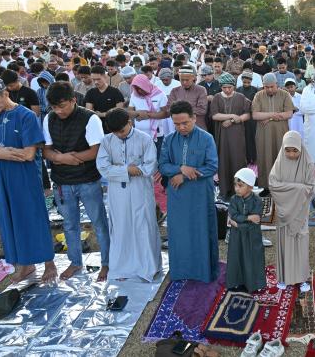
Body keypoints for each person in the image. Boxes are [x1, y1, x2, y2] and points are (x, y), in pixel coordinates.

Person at [0, 78, 57, 283]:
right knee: (7, 220)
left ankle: (49, 262)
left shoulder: (26, 115)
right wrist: (1, 152)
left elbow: (29, 154)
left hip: (23, 178)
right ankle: (24, 265)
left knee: (33, 216)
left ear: (5, 93)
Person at [43, 81, 110, 281]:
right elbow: (46, 149)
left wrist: (75, 158)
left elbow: (97, 150)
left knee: (99, 223)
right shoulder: (49, 118)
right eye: (54, 107)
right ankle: (75, 261)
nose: (58, 111)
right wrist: (61, 158)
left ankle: (107, 263)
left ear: (73, 100)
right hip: (62, 181)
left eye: (62, 106)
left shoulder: (90, 119)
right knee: (70, 224)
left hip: (88, 180)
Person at [96, 108, 162, 281]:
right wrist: (128, 170)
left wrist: (126, 170)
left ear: (129, 123)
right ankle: (122, 268)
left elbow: (149, 167)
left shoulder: (144, 139)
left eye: (122, 131)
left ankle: (148, 267)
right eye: (115, 132)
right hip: (117, 191)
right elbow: (103, 168)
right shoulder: (107, 141)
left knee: (143, 225)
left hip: (140, 189)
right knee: (121, 226)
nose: (120, 135)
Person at [159, 101, 219, 282]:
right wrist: (181, 168)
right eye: (176, 124)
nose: (181, 127)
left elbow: (211, 166)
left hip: (200, 193)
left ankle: (203, 272)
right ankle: (180, 271)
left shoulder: (206, 138)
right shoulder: (169, 139)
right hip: (178, 195)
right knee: (179, 232)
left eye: (185, 122)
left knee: (201, 230)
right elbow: (162, 165)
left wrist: (183, 175)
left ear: (194, 118)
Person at [269, 131, 315, 292]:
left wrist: (295, 191)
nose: (291, 154)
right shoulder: (279, 162)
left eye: (295, 150)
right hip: (284, 211)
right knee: (284, 243)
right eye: (287, 150)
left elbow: (311, 187)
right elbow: (273, 184)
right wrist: (297, 189)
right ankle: (283, 277)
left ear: (301, 148)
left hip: (301, 211)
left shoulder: (308, 163)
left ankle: (302, 279)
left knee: (300, 242)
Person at [210, 73, 251, 200]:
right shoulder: (217, 97)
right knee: (224, 160)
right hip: (222, 136)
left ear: (234, 86)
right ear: (221, 87)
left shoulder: (240, 97)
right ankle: (225, 190)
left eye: (230, 87)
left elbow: (247, 114)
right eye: (224, 88)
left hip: (237, 135)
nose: (227, 90)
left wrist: (233, 121)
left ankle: (240, 190)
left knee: (238, 159)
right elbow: (214, 115)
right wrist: (232, 116)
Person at [251, 73, 294, 193]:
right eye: (266, 87)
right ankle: (266, 186)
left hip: (280, 133)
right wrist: (274, 115)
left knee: (281, 157)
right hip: (263, 135)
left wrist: (268, 118)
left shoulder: (284, 94)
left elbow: (289, 114)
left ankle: (282, 185)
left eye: (272, 86)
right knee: (264, 158)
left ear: (277, 84)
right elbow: (255, 115)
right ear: (263, 86)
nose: (269, 89)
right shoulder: (258, 95)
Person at [226, 167, 266, 292]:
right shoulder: (233, 200)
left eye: (240, 185)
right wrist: (248, 217)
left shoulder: (257, 201)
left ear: (250, 186)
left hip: (252, 236)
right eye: (235, 185)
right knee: (236, 257)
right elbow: (234, 215)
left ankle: (253, 284)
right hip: (237, 236)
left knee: (252, 258)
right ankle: (236, 282)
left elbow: (255, 222)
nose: (236, 188)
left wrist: (238, 224)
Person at [128, 74, 169, 152]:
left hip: (157, 134)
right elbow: (129, 112)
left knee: (156, 158)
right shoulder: (134, 95)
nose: (139, 91)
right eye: (137, 89)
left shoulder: (160, 94)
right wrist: (138, 113)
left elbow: (166, 113)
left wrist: (148, 115)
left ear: (146, 84)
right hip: (139, 134)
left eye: (141, 88)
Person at [84, 65, 125, 133]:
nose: (96, 82)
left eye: (98, 79)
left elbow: (119, 110)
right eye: (94, 80)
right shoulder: (90, 93)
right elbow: (89, 112)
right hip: (97, 128)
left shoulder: (115, 92)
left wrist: (103, 114)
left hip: (114, 128)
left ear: (105, 77)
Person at [167, 65, 208, 131]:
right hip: (180, 129)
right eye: (182, 80)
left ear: (193, 78)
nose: (184, 82)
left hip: (197, 128)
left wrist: (179, 110)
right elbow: (169, 109)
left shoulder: (201, 90)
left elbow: (202, 110)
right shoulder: (175, 91)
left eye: (187, 80)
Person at [236, 71, 259, 164]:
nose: (246, 84)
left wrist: (249, 102)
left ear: (251, 81)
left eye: (248, 82)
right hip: (241, 117)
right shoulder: (238, 90)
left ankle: (253, 158)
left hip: (252, 119)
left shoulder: (255, 90)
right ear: (241, 80)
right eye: (244, 82)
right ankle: (244, 159)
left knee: (252, 138)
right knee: (243, 138)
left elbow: (256, 104)